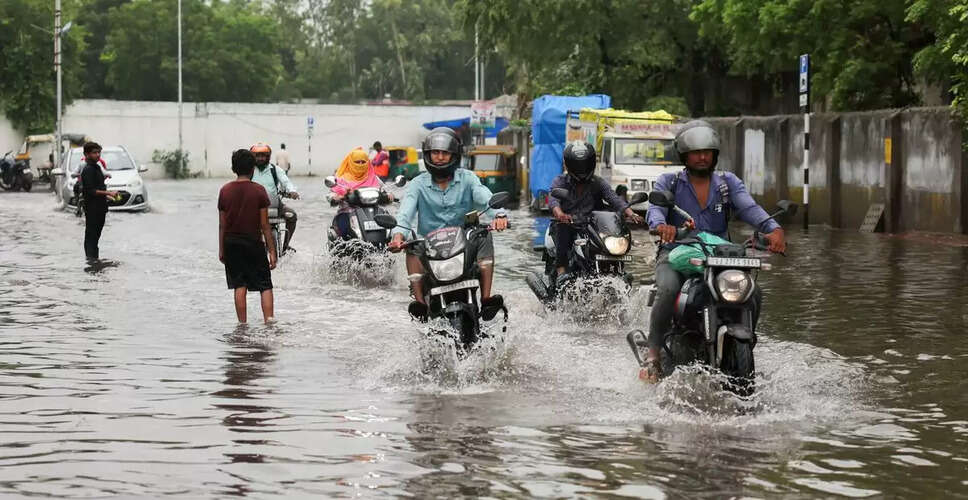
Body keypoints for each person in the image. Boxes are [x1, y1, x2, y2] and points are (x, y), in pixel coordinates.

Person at [641, 120, 786, 383]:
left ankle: (743, 344)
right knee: (668, 290)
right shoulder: (669, 182)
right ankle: (652, 356)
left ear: (715, 154)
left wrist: (772, 229)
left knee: (753, 293)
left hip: (721, 257)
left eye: (707, 151)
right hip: (677, 254)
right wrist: (661, 226)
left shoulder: (727, 183)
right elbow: (655, 209)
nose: (702, 156)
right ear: (684, 155)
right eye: (696, 152)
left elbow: (750, 208)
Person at [388, 127, 509, 320]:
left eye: (445, 153)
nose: (440, 157)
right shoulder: (418, 184)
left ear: (454, 155)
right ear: (428, 155)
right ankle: (419, 302)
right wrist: (397, 236)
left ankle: (486, 298)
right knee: (411, 243)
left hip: (464, 246)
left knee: (484, 233)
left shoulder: (468, 179)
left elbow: (485, 197)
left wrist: (499, 215)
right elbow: (405, 214)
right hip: (430, 249)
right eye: (435, 152)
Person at [549, 141, 644, 282]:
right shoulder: (560, 181)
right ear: (569, 165)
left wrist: (631, 213)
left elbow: (613, 198)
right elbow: (553, 200)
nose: (581, 168)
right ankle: (561, 271)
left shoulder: (598, 182)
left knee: (614, 238)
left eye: (584, 164)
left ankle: (617, 271)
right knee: (563, 231)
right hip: (569, 223)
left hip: (592, 226)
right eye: (577, 165)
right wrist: (560, 214)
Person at [218, 149, 277, 324]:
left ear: (233, 168)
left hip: (231, 243)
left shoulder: (224, 191)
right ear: (252, 168)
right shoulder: (259, 191)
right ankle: (269, 321)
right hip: (253, 242)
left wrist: (221, 250)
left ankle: (242, 324)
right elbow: (265, 225)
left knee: (239, 284)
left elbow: (222, 225)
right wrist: (272, 251)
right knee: (265, 285)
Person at [328, 147, 393, 238]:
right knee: (343, 230)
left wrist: (389, 196)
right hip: (348, 212)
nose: (360, 164)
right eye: (357, 162)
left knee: (389, 227)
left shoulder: (373, 177)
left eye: (363, 162)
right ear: (351, 162)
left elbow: (385, 190)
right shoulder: (342, 179)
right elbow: (331, 195)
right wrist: (338, 197)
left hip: (374, 213)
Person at [249, 142, 300, 253]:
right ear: (253, 157)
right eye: (258, 156)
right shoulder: (249, 171)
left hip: (274, 205)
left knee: (292, 216)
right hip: (253, 209)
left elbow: (286, 181)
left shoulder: (274, 169)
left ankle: (285, 247)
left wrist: (292, 191)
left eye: (263, 156)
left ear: (268, 157)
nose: (261, 158)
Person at [79, 142, 119, 262]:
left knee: (96, 238)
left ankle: (94, 261)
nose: (97, 155)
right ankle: (91, 262)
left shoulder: (97, 167)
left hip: (100, 208)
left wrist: (108, 196)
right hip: (92, 209)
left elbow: (98, 188)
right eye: (94, 152)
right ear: (86, 154)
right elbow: (91, 191)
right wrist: (108, 193)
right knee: (91, 237)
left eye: (99, 152)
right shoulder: (87, 170)